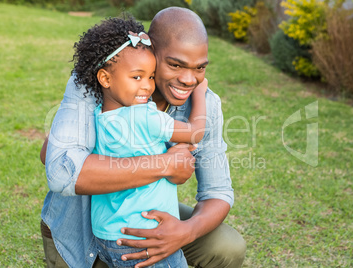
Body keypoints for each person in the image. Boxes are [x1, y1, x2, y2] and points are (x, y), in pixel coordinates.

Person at [41, 7, 246, 268]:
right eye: (175, 64)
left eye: (200, 68)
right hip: (80, 232)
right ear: (149, 50)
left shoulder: (204, 103)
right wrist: (165, 164)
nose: (188, 79)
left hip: (139, 218)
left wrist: (186, 231)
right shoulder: (99, 78)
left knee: (227, 247)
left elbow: (218, 192)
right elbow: (59, 167)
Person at [71, 16, 208, 268]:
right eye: (137, 77)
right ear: (105, 78)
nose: (146, 87)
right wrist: (200, 94)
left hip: (107, 234)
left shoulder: (97, 115)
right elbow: (195, 132)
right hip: (146, 234)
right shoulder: (145, 116)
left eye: (151, 77)